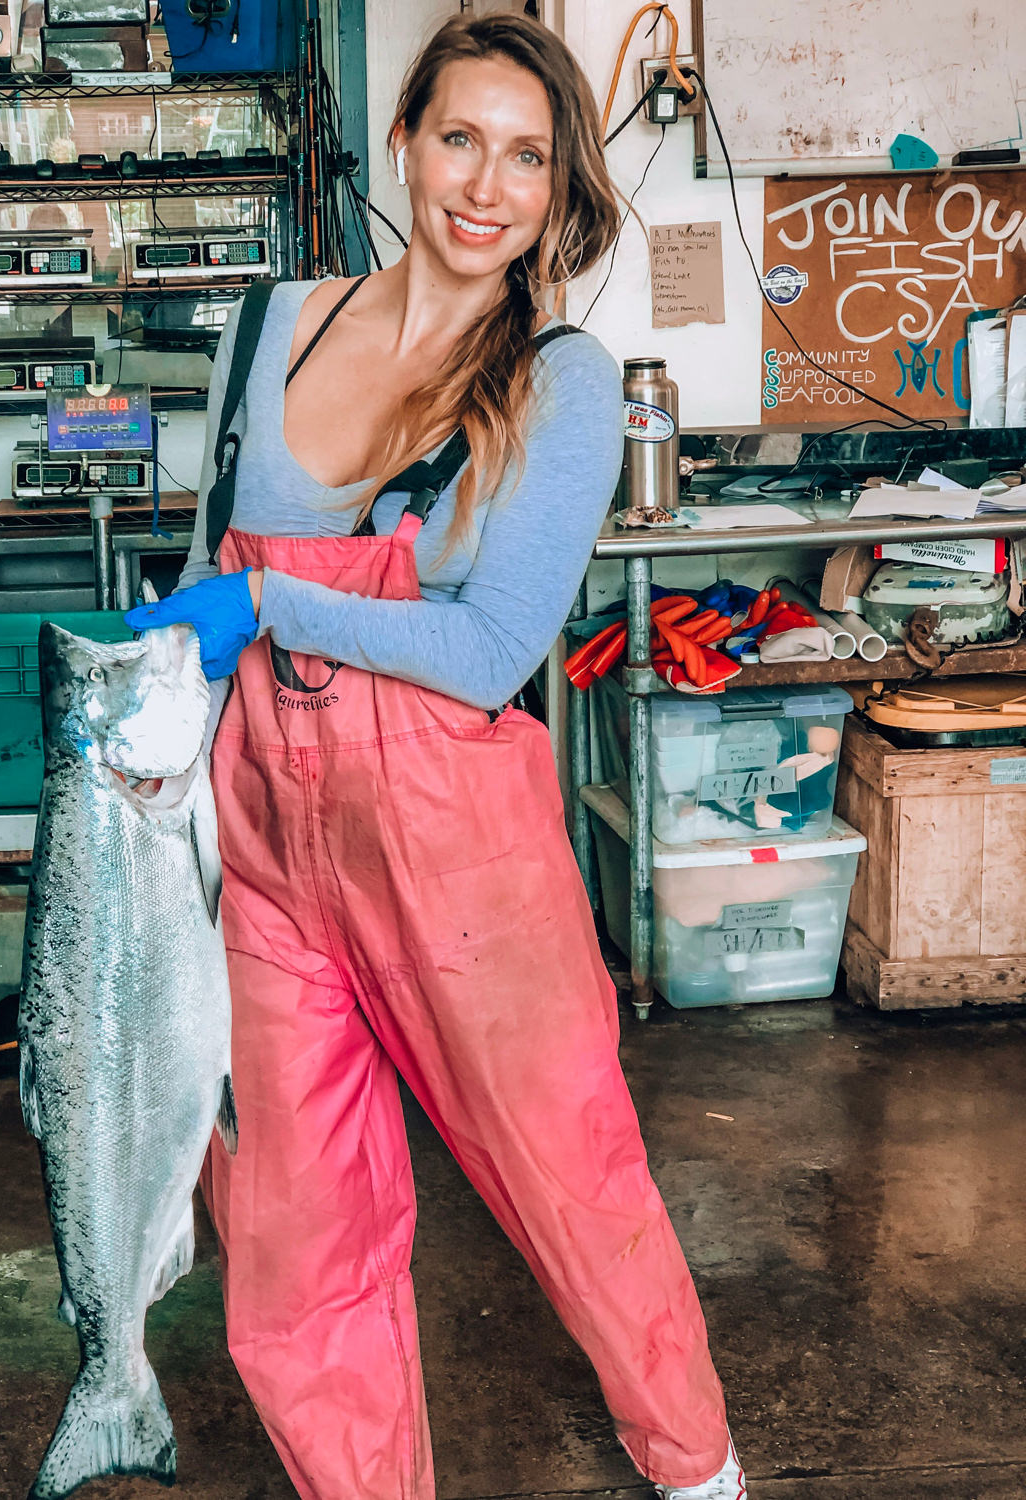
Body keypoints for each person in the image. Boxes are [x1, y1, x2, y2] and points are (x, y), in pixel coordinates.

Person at [126, 14, 745, 1499]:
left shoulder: (561, 380)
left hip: (461, 859)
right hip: (264, 850)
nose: (486, 185)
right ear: (401, 138)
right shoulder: (275, 324)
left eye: (527, 156)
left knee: (572, 1182)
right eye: (461, 138)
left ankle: (697, 1469)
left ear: (558, 185)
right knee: (291, 1229)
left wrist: (271, 601)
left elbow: (489, 649)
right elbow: (199, 561)